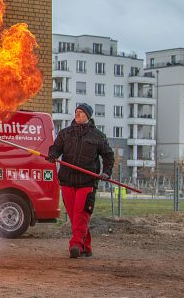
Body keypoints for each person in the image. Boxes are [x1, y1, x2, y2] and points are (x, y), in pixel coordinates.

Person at [46, 103, 114, 258]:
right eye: (76, 112)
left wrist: (106, 173)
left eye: (81, 112)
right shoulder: (65, 133)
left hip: (87, 182)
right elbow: (55, 148)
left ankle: (75, 245)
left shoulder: (97, 136)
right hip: (67, 181)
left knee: (80, 215)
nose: (77, 114)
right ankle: (86, 247)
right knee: (75, 217)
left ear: (88, 116)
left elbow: (108, 155)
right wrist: (53, 155)